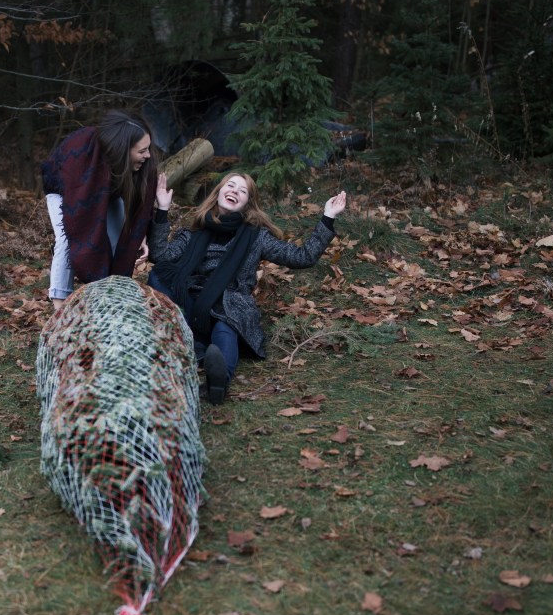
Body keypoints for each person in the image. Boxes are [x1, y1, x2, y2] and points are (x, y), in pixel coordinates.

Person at [148, 172, 347, 404]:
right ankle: (194, 342)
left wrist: (328, 216)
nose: (234, 191)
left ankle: (218, 383)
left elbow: (303, 257)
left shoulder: (257, 237)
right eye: (230, 185)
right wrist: (162, 209)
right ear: (219, 192)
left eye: (242, 191)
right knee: (158, 276)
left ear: (247, 203)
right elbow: (160, 255)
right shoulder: (194, 232)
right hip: (192, 300)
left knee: (225, 328)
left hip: (230, 304)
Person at [41, 109, 165, 308]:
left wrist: (140, 234)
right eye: (141, 151)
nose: (147, 155)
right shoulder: (85, 153)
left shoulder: (142, 163)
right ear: (124, 149)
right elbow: (79, 218)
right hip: (66, 189)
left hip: (106, 190)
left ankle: (107, 298)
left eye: (148, 148)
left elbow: (142, 201)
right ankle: (60, 306)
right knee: (67, 238)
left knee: (116, 238)